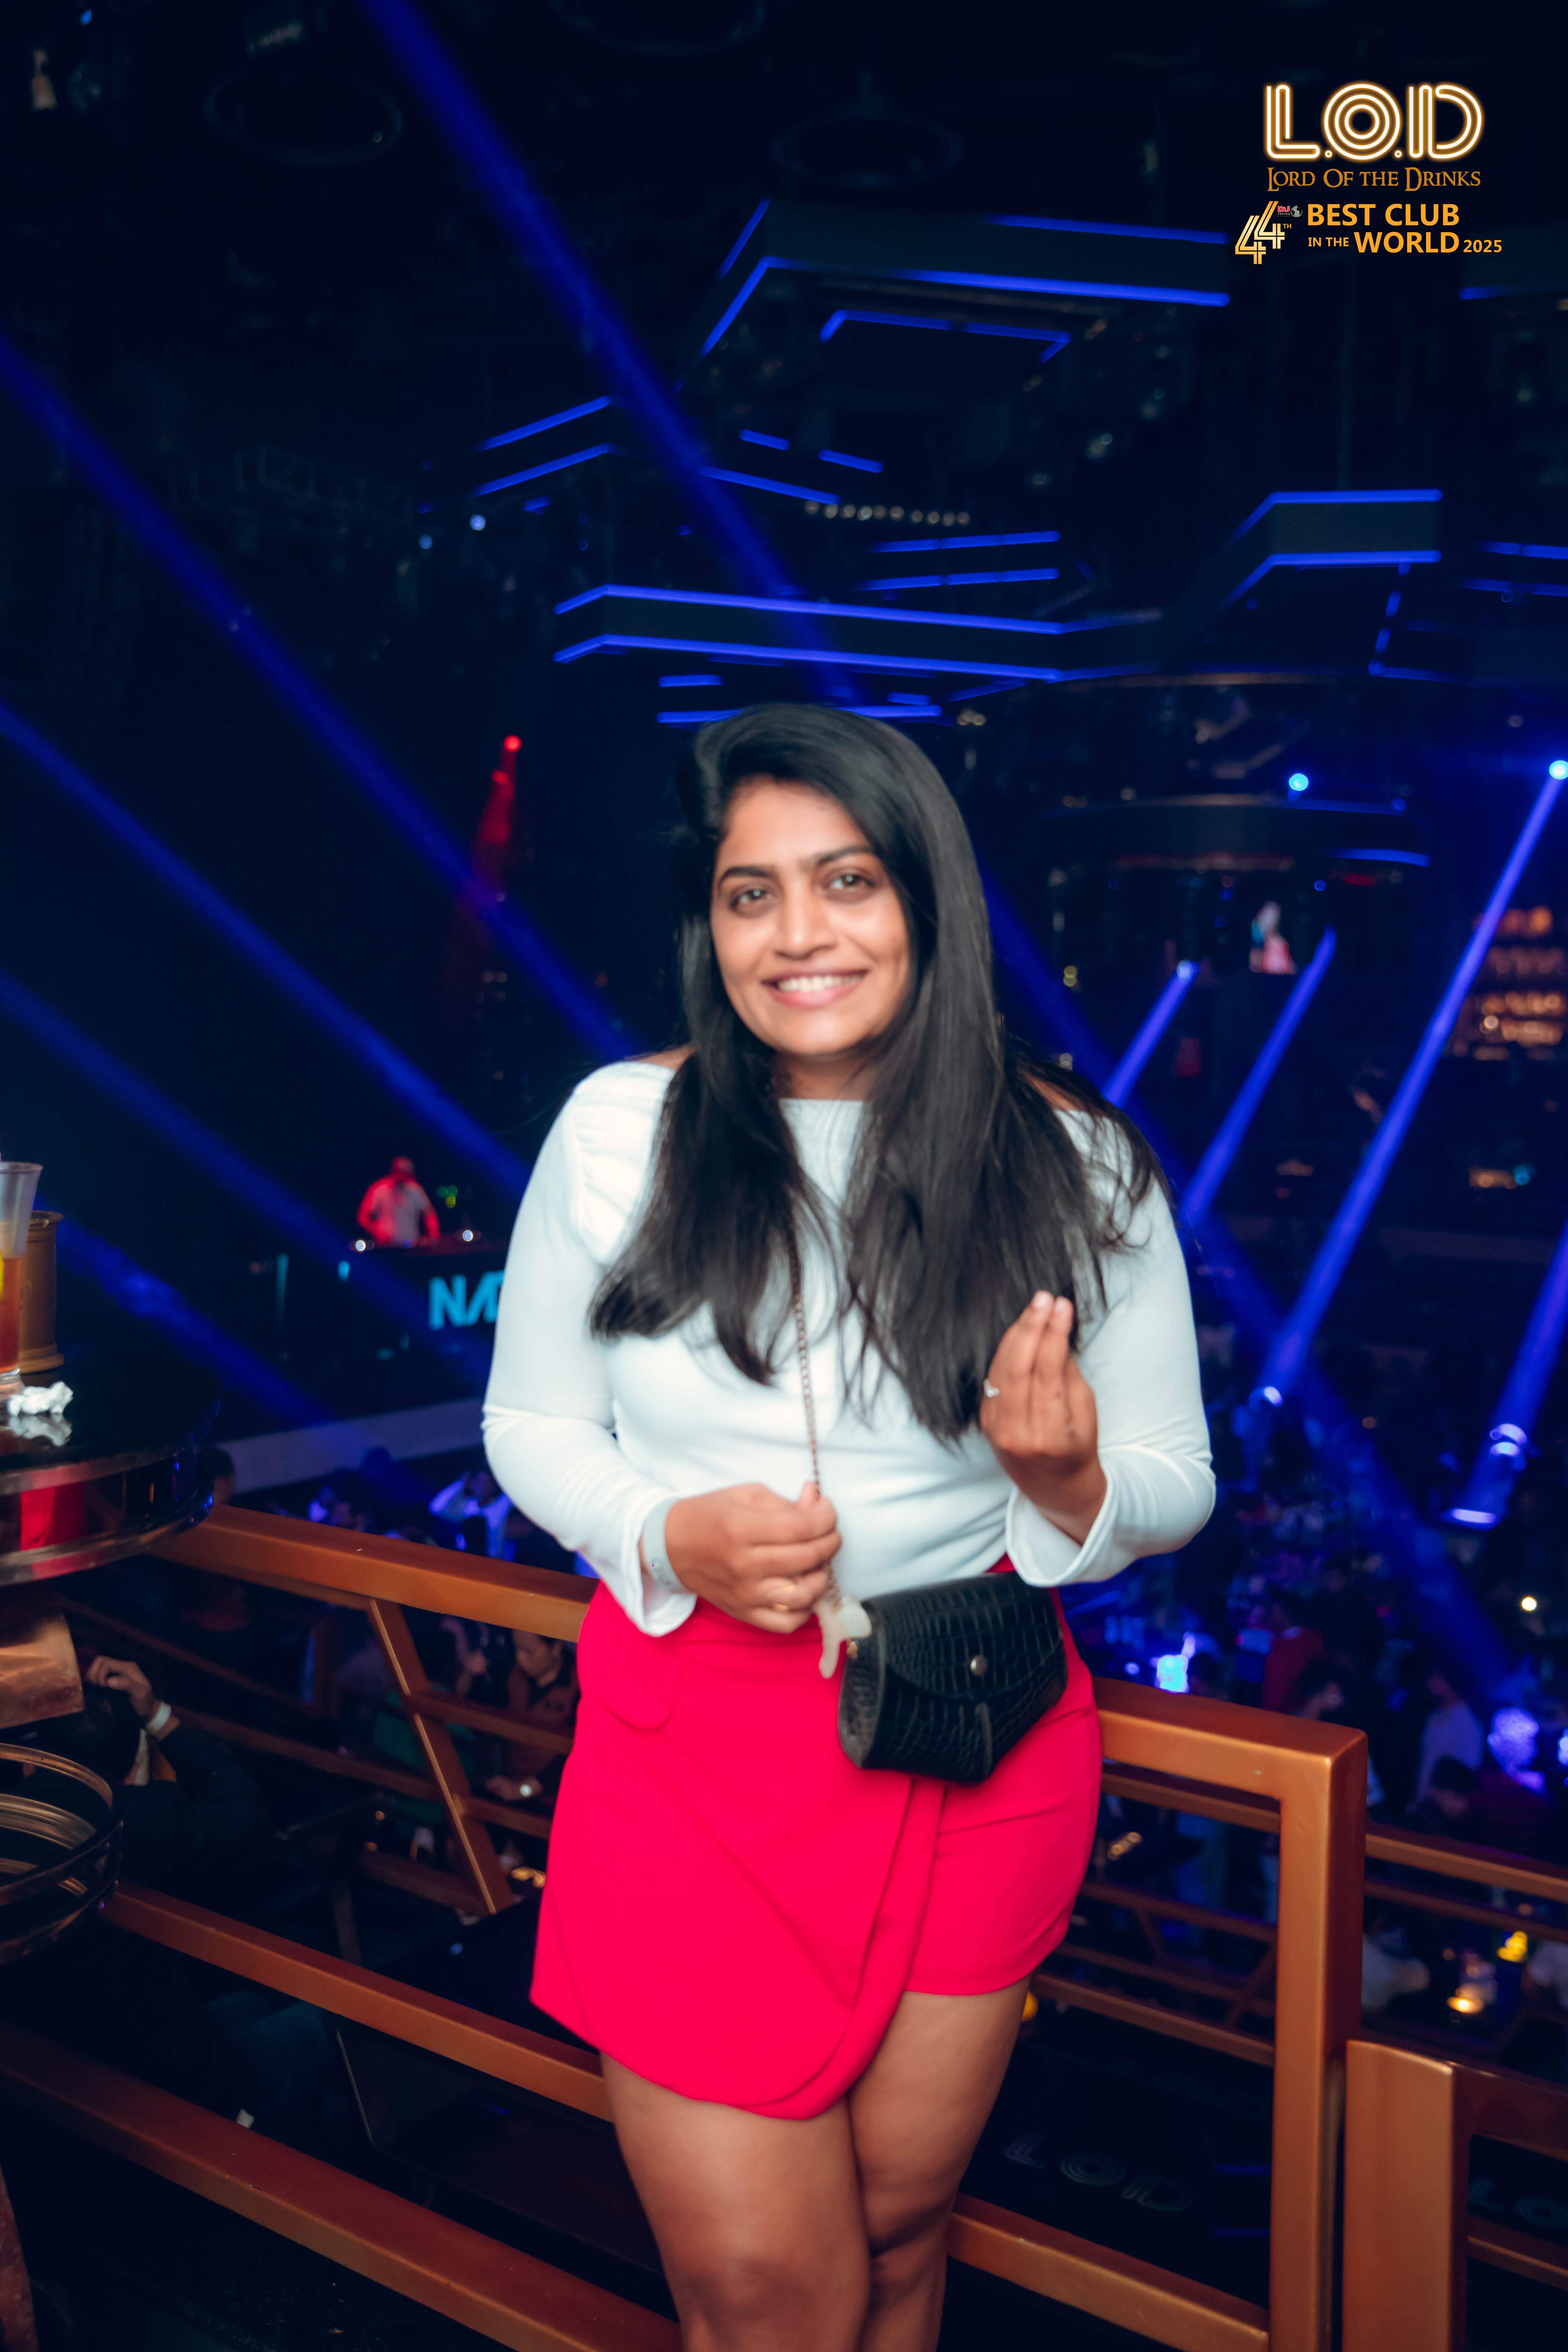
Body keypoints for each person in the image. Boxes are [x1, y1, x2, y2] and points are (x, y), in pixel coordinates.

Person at [482, 706, 1213, 2352]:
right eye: (751, 894)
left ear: (925, 902)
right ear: (710, 925)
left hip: (975, 1743)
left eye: (848, 881)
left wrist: (1067, 1481)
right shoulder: (616, 1130)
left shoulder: (1080, 1160)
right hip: (693, 1758)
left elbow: (1177, 1476)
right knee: (770, 2287)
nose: (798, 934)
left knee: (892, 2233)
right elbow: (530, 1424)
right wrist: (666, 1535)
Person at [356, 1155, 439, 1248]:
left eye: (405, 1174)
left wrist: (433, 1236)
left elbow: (430, 1214)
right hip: (387, 1246)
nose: (402, 1177)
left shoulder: (416, 1190)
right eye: (400, 1172)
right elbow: (363, 1218)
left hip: (412, 1244)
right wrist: (378, 1232)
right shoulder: (379, 1189)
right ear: (393, 1171)